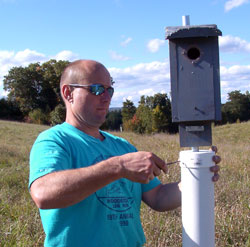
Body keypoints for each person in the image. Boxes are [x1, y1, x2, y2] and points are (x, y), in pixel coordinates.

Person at [29, 59, 221, 247]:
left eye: (109, 89)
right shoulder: (54, 141)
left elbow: (158, 197)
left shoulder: (122, 146)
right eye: (96, 89)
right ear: (68, 92)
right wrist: (118, 167)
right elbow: (43, 194)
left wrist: (198, 179)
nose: (106, 97)